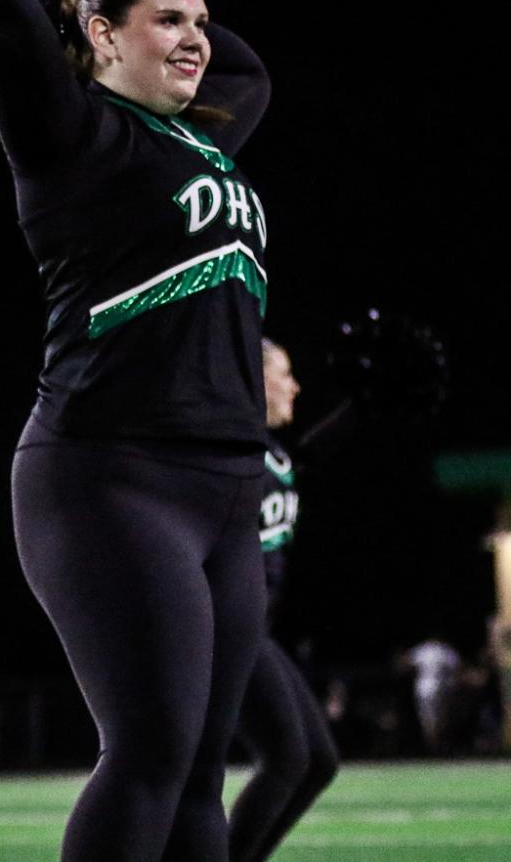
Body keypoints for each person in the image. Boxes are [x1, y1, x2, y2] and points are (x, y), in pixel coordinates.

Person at [0, 0, 273, 859]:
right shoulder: (75, 136)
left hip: (226, 484)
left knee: (203, 771)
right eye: (169, 19)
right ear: (97, 32)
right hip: (111, 474)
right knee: (150, 752)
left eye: (201, 18)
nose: (197, 40)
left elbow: (248, 68)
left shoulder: (202, 137)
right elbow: (5, 15)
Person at [228, 339, 338, 860]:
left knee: (316, 761)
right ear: (253, 379)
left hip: (257, 631)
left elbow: (305, 459)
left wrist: (357, 410)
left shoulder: (270, 453)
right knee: (290, 759)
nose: (294, 386)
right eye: (283, 374)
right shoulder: (230, 448)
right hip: (229, 629)